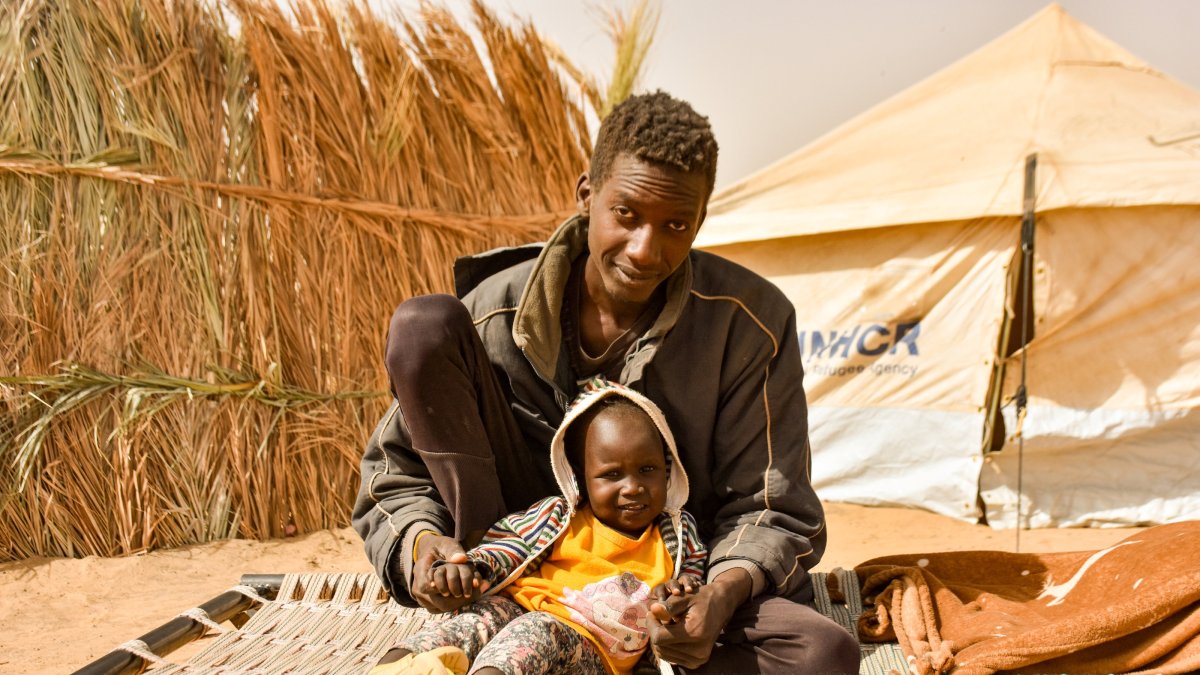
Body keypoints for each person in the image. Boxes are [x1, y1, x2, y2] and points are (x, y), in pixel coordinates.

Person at [353, 90, 860, 672]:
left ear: (700, 219)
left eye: (675, 224)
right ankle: (498, 620)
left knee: (824, 656)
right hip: (518, 566)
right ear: (586, 195)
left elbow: (773, 507)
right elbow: (396, 477)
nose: (647, 250)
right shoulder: (494, 314)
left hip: (667, 581)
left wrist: (713, 599)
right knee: (422, 327)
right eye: (626, 215)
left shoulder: (750, 326)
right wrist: (425, 548)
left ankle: (614, 654)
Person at [371, 379, 707, 675]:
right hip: (519, 611)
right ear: (580, 478)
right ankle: (394, 667)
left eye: (647, 470)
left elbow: (693, 578)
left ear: (668, 470)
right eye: (612, 475)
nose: (632, 487)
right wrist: (471, 568)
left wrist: (680, 591)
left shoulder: (676, 534)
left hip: (591, 653)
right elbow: (507, 547)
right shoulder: (560, 517)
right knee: (475, 622)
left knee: (539, 630)